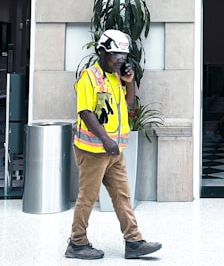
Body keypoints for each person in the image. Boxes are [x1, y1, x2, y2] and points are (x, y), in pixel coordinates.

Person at [65, 29, 162, 261]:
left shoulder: (114, 77)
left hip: (114, 151)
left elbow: (128, 105)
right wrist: (105, 139)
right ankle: (76, 243)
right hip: (94, 151)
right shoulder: (89, 77)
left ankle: (134, 242)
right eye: (114, 54)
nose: (120, 59)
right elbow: (85, 112)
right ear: (101, 52)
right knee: (87, 197)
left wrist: (129, 83)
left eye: (123, 55)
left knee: (122, 196)